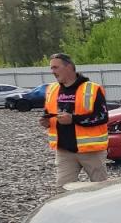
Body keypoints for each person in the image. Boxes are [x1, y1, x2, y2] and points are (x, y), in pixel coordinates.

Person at [42, 53, 109, 187]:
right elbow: (48, 113)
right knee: (62, 190)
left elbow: (102, 117)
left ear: (69, 67)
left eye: (56, 67)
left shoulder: (92, 89)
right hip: (64, 151)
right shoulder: (52, 89)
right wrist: (46, 122)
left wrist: (73, 119)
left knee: (102, 189)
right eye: (51, 68)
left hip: (91, 151)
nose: (53, 72)